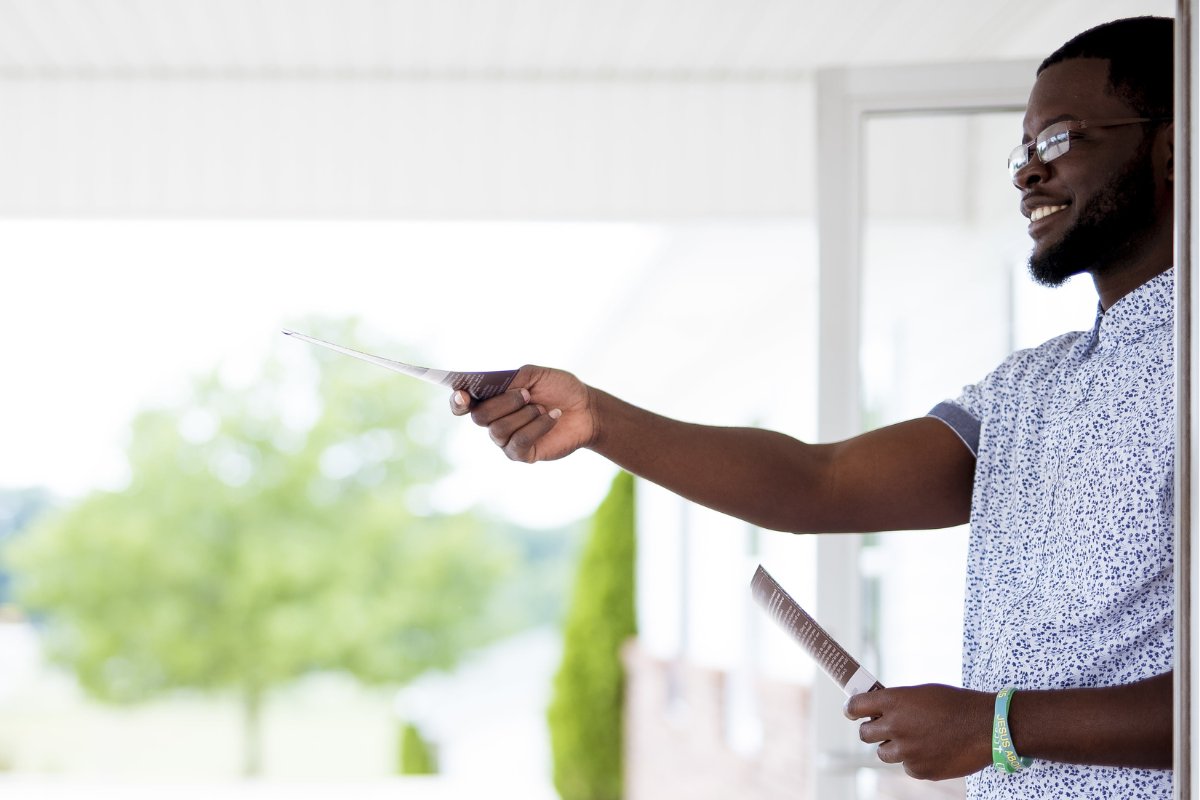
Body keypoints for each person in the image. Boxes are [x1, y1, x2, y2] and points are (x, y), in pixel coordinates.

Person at [448, 16, 1176, 799]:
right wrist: (597, 419)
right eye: (1021, 152)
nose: (1028, 173)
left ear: (1174, 147)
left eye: (1060, 139)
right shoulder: (1036, 386)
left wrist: (1001, 726)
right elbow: (820, 481)